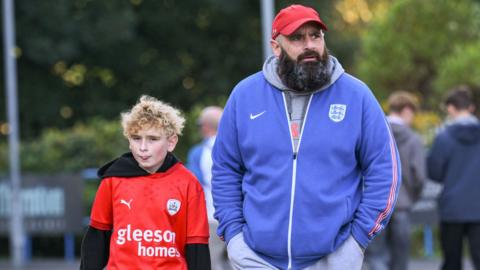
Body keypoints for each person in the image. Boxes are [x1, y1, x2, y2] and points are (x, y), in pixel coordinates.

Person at [211, 4, 401, 270]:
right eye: (297, 38)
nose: (309, 45)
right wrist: (233, 236)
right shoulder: (245, 95)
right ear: (276, 46)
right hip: (256, 258)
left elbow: (386, 170)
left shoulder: (356, 96)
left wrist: (358, 240)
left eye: (315, 36)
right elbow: (225, 169)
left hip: (333, 257)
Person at [80, 95, 211, 270]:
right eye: (136, 138)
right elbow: (96, 240)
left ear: (171, 142)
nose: (143, 147)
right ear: (129, 141)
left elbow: (197, 247)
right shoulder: (112, 179)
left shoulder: (188, 183)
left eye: (152, 139)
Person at [364, 91, 427, 270]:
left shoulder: (373, 133)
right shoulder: (413, 139)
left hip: (374, 205)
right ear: (407, 110)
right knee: (400, 258)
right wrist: (411, 197)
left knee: (376, 257)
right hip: (402, 206)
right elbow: (419, 176)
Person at [427, 85, 480, 270]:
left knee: (452, 261)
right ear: (471, 107)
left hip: (452, 208)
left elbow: (434, 172)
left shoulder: (444, 138)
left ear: (451, 108)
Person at [186, 106, 232, 270]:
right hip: (238, 217)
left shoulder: (198, 153)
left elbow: (193, 186)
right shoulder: (237, 148)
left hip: (211, 216)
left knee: (211, 263)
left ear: (205, 126)